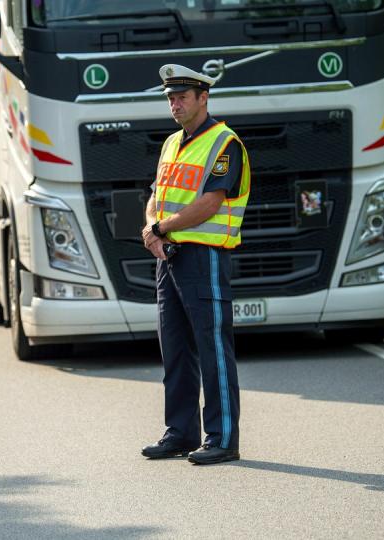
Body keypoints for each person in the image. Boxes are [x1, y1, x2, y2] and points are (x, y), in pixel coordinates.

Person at [140, 64, 251, 465]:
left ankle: (222, 438)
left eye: (182, 96)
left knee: (212, 348)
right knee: (175, 350)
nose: (175, 103)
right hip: (168, 257)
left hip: (204, 257)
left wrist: (160, 227)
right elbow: (156, 194)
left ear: (204, 97)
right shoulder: (172, 142)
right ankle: (181, 432)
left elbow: (211, 202)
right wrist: (153, 229)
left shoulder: (225, 143)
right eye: (170, 97)